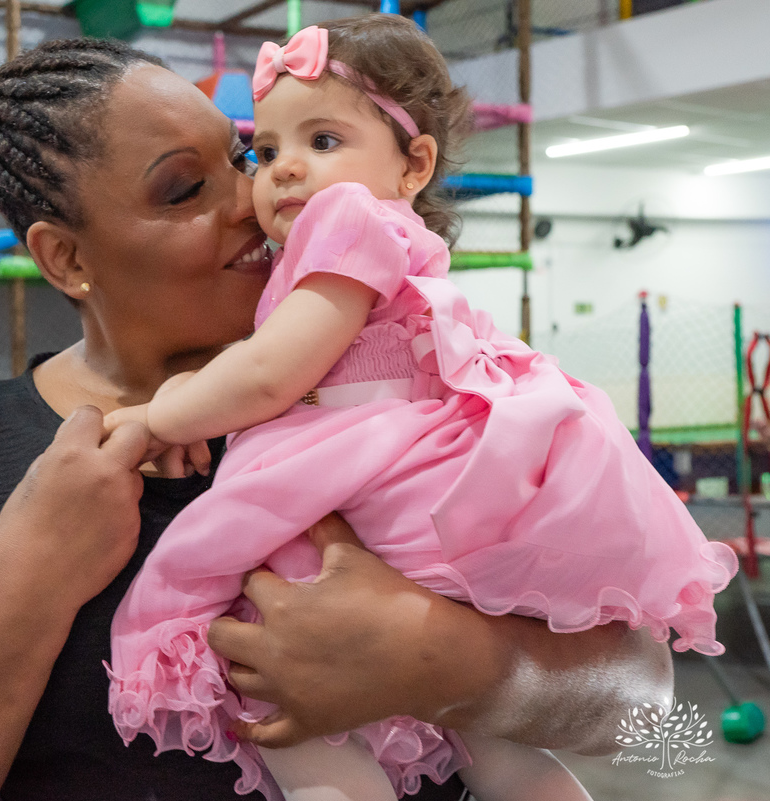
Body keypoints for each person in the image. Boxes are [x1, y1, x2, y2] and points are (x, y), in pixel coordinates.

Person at [0, 36, 678, 801]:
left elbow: (655, 721)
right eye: (183, 190)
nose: (256, 198)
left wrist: (450, 659)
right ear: (66, 260)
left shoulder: (435, 395)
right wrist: (25, 584)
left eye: (244, 158)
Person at [103, 18, 738, 801]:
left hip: (376, 467)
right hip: (419, 478)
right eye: (264, 152)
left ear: (415, 166)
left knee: (266, 655)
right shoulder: (363, 238)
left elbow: (272, 372)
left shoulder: (347, 222)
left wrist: (161, 416)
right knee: (505, 757)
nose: (284, 170)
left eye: (323, 141)